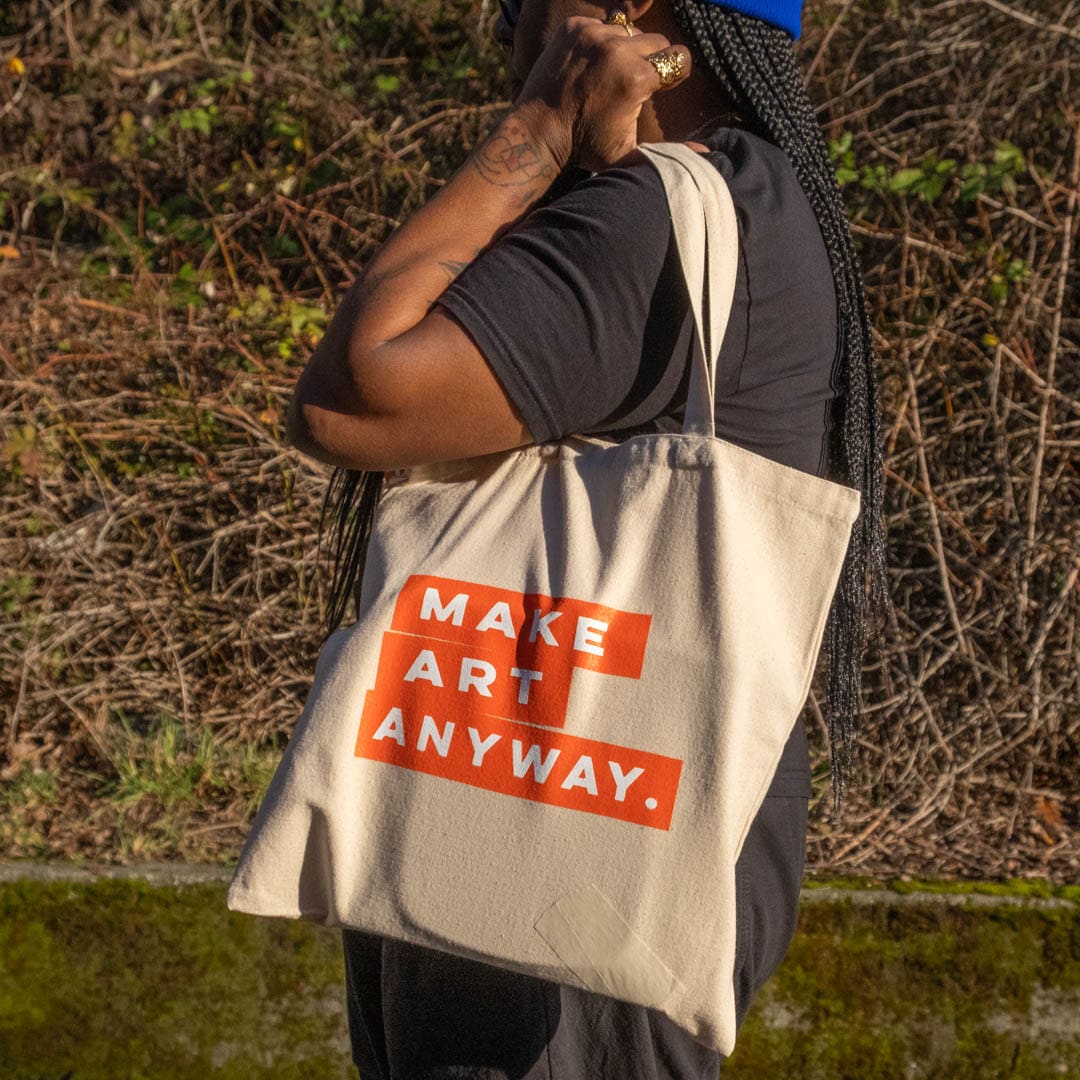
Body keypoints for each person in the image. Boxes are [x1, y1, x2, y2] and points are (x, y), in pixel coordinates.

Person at [285, 1, 892, 1076]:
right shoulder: (753, 197)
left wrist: (538, 127)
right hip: (595, 830)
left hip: (560, 859)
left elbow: (352, 399)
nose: (501, 21)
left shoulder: (658, 217)